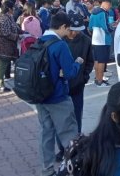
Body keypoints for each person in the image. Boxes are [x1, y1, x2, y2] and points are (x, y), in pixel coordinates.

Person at [36, 12, 81, 176]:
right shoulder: (60, 45)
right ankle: (74, 168)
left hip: (40, 95)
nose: (69, 33)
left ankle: (47, 170)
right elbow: (69, 73)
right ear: (63, 27)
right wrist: (77, 63)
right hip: (58, 96)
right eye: (68, 29)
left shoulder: (39, 40)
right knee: (69, 133)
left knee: (46, 133)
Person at [63, 13, 94, 132]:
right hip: (61, 85)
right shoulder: (60, 39)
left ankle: (76, 142)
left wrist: (84, 77)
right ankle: (63, 147)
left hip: (78, 84)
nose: (74, 33)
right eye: (72, 30)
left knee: (76, 115)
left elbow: (90, 61)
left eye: (77, 30)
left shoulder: (86, 40)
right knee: (62, 117)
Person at [0, 1, 19, 92]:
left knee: (2, 64)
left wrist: (21, 32)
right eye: (13, 8)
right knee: (3, 64)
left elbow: (15, 28)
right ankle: (0, 85)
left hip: (6, 45)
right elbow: (5, 33)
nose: (14, 9)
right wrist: (17, 36)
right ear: (9, 9)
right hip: (2, 45)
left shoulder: (8, 17)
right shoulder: (3, 18)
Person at [89, 0, 115, 87]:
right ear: (106, 3)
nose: (110, 7)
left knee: (97, 60)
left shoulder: (93, 12)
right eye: (109, 5)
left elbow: (90, 27)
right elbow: (106, 27)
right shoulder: (103, 13)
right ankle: (100, 81)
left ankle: (97, 79)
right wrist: (113, 27)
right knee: (102, 62)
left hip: (95, 40)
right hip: (103, 40)